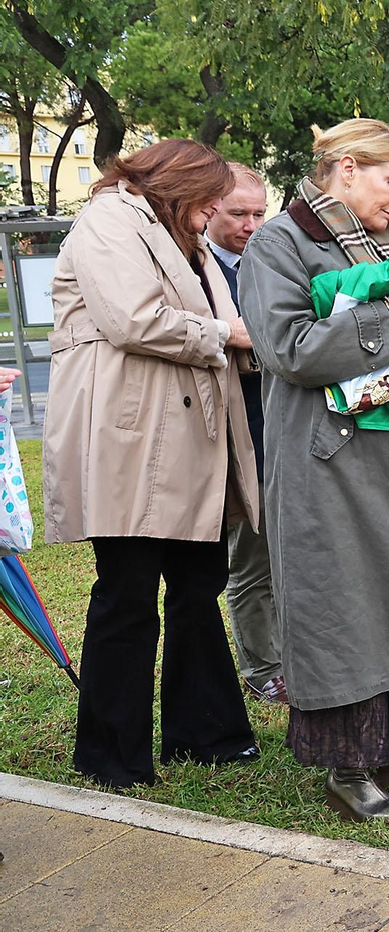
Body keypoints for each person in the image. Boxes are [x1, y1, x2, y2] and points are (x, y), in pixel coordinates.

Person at [239, 118, 389, 821]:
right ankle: (350, 764)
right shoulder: (276, 244)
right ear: (345, 168)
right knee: (348, 603)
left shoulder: (379, 242)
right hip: (332, 460)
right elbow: (289, 351)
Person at [43, 138, 259, 789]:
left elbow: (221, 317)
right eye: (210, 202)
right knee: (128, 592)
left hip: (190, 432)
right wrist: (227, 337)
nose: (213, 215)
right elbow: (133, 319)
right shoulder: (109, 219)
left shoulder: (174, 231)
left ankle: (207, 735)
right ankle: (112, 752)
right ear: (178, 184)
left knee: (198, 586)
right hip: (128, 435)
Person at [203, 162, 287, 702]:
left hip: (280, 424)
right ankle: (262, 667)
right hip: (230, 433)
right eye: (238, 213)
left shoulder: (269, 260)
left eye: (259, 213)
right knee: (252, 557)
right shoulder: (193, 266)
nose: (251, 224)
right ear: (209, 209)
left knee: (287, 554)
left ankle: (288, 654)